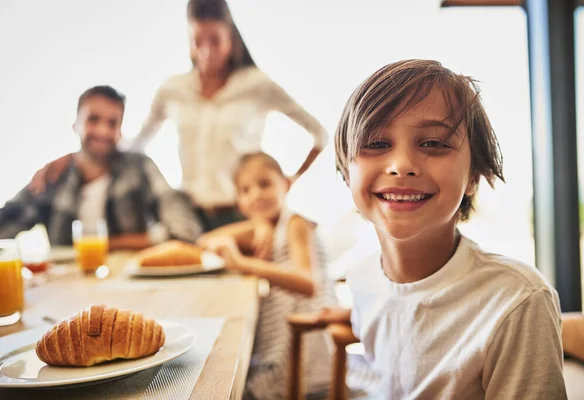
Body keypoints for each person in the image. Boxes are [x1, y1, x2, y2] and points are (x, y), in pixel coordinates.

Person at [323, 59, 567, 398]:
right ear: (347, 172)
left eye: (434, 143)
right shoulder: (363, 281)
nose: (402, 166)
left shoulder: (516, 301)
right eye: (377, 144)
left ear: (473, 177)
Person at [30, 0, 328, 231]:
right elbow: (134, 145)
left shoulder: (257, 84)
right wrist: (73, 158)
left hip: (243, 215)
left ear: (232, 38)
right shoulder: (173, 89)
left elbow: (319, 134)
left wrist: (289, 179)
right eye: (198, 40)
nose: (206, 51)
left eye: (215, 40)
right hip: (189, 215)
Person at [198, 152, 335, 399]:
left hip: (306, 342)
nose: (256, 195)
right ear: (238, 201)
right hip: (285, 338)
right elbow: (204, 242)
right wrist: (257, 224)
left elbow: (308, 283)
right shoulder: (267, 228)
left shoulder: (295, 223)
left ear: (286, 184)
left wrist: (244, 264)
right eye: (245, 190)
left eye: (265, 184)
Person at [0, 86, 202, 249]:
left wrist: (108, 244)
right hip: (65, 288)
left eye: (112, 123)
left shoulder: (140, 168)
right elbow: (8, 221)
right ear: (76, 124)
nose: (102, 131)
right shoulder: (54, 176)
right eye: (93, 119)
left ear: (120, 131)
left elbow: (184, 229)